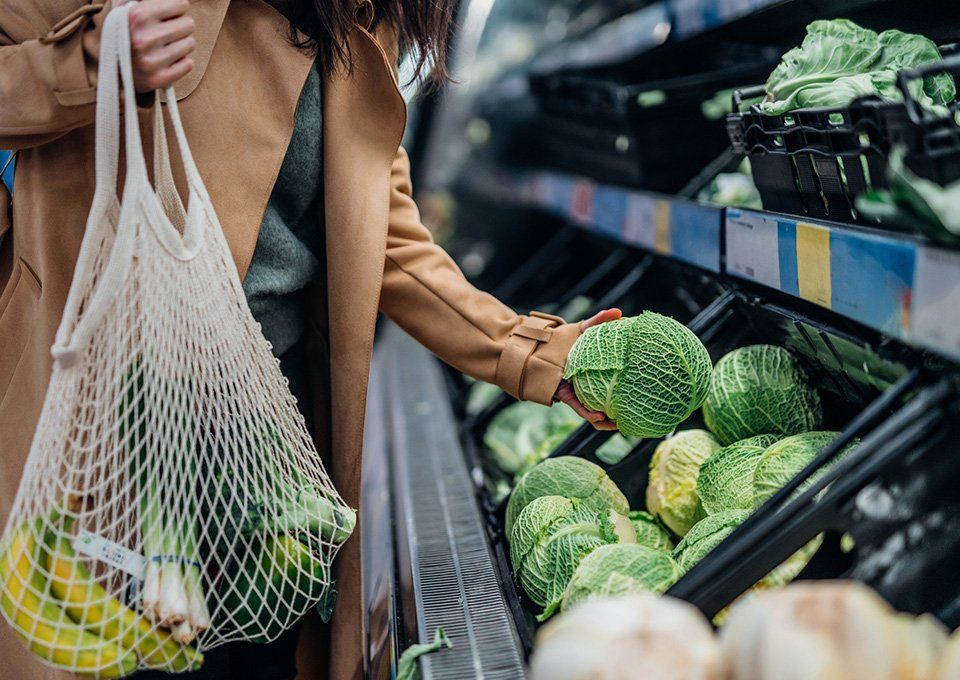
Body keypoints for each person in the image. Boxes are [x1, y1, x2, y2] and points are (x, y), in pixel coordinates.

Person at [0, 0, 620, 677]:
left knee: (250, 659)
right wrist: (92, 59)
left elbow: (392, 241)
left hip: (268, 435)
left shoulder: (360, 18)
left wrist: (536, 352)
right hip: (108, 418)